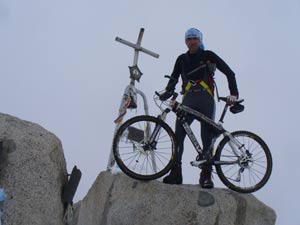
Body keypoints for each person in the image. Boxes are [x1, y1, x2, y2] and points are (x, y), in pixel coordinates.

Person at [159, 28, 239, 188]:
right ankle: (175, 172)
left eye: (195, 38)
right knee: (178, 135)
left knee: (207, 137)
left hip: (206, 99)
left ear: (200, 40)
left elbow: (230, 73)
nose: (192, 41)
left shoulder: (208, 55)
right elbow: (174, 78)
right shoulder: (181, 59)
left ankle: (206, 176)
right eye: (189, 39)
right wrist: (167, 92)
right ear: (185, 42)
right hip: (188, 100)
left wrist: (234, 94)